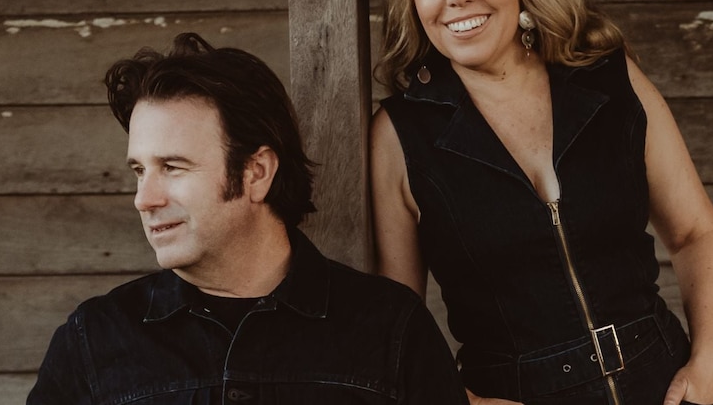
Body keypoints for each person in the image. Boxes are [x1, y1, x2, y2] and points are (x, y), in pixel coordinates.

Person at [370, 0, 713, 405]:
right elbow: (400, 328)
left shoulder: (609, 79)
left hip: (662, 383)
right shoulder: (400, 135)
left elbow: (694, 232)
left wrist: (708, 361)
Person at [28, 32, 469, 405]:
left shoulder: (390, 330)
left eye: (173, 167)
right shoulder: (93, 340)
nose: (145, 199)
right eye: (140, 171)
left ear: (256, 173)